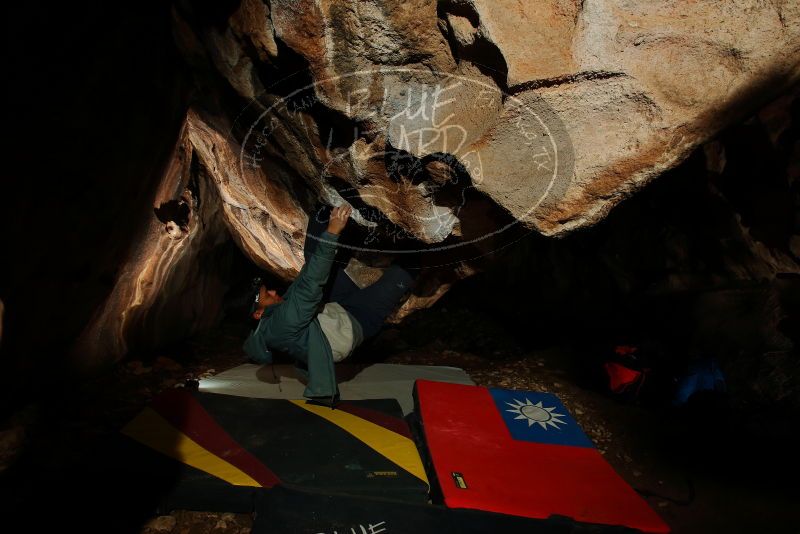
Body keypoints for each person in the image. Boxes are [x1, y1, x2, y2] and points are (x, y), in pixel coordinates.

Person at [243, 204, 415, 407]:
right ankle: (420, 255)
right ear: (258, 313)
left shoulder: (273, 317)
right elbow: (312, 282)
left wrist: (322, 226)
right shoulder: (284, 321)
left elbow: (307, 274)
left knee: (315, 252)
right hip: (354, 323)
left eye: (268, 290)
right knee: (404, 272)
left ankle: (324, 208)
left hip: (331, 310)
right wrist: (332, 232)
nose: (272, 292)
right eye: (266, 295)